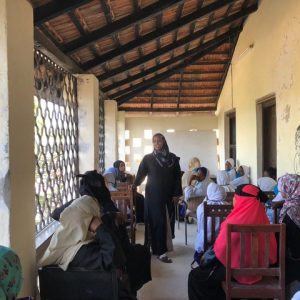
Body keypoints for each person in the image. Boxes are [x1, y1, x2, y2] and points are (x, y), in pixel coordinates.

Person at [39, 170, 151, 297]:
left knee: (139, 254)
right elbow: (116, 255)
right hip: (105, 275)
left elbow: (57, 214)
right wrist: (100, 228)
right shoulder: (81, 247)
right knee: (140, 255)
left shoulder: (77, 220)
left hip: (99, 266)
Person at [188, 184, 277, 300]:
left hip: (235, 272)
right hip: (260, 272)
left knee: (195, 277)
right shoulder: (265, 220)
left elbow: (220, 250)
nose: (234, 199)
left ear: (242, 199)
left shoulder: (234, 220)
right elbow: (272, 256)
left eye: (236, 196)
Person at [133, 133, 182, 263]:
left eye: (159, 140)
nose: (156, 143)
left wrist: (177, 194)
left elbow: (177, 177)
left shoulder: (172, 158)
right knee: (156, 221)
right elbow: (140, 175)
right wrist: (133, 186)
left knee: (165, 222)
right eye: (154, 141)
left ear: (163, 141)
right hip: (153, 195)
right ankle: (158, 251)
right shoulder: (148, 158)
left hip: (168, 195)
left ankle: (162, 248)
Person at [278, 174, 300, 284]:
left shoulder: (292, 210)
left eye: (281, 188)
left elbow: (285, 238)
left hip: (295, 261)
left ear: (289, 188)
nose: (280, 192)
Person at [194, 183, 227, 257]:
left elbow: (200, 227)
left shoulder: (202, 206)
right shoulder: (227, 206)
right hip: (223, 240)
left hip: (207, 240)